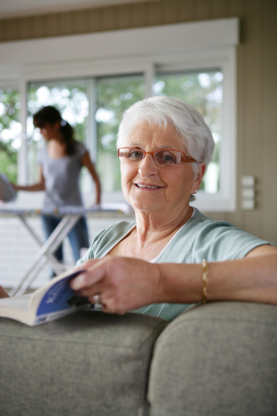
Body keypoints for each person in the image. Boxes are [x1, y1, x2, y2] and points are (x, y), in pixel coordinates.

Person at [2, 97, 277, 321]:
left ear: (197, 176)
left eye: (167, 157)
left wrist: (158, 282)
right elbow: (60, 319)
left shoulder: (209, 242)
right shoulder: (108, 239)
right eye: (134, 153)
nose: (145, 169)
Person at [12, 105, 101, 268]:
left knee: (83, 260)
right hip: (49, 213)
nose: (41, 132)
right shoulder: (42, 153)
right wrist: (16, 187)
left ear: (56, 125)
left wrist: (97, 202)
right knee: (55, 262)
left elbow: (95, 178)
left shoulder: (78, 149)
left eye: (43, 127)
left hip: (73, 212)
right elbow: (42, 185)